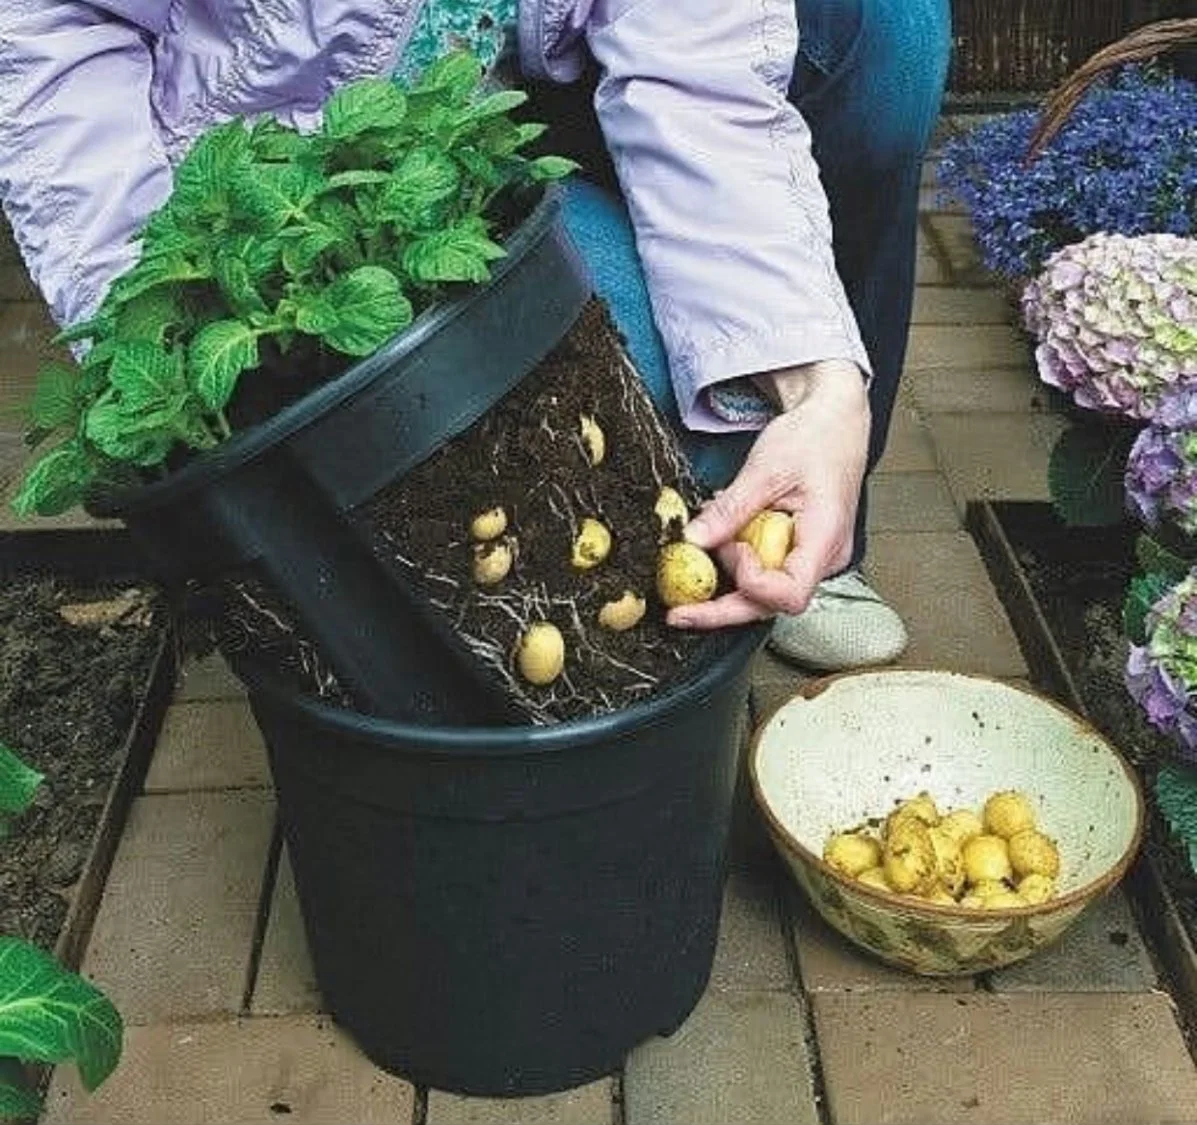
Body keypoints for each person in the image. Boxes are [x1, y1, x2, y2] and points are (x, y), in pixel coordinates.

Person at [0, 0, 951, 671]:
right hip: (301, 167)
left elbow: (699, 71)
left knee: (884, 25)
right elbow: (45, 28)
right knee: (612, 377)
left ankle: (806, 528)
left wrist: (816, 379)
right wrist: (157, 314)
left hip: (518, 83)